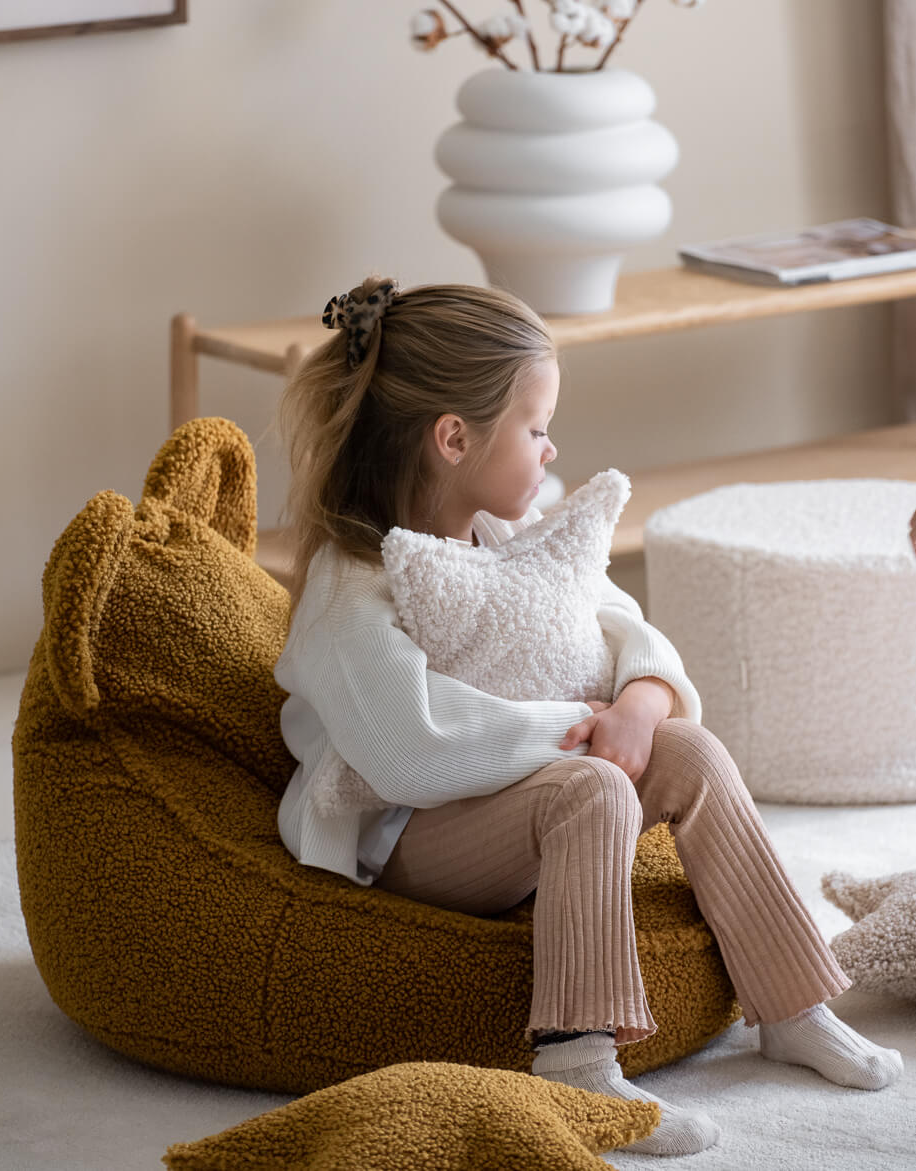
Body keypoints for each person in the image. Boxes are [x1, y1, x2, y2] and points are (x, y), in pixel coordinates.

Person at [273, 276, 903, 1156]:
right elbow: (408, 749)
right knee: (594, 792)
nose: (550, 444)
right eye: (534, 428)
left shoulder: (499, 539)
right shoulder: (351, 584)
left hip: (525, 796)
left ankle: (791, 1004)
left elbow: (618, 622)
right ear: (453, 438)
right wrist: (581, 728)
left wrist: (641, 702)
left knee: (692, 752)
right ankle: (577, 1069)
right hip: (411, 836)